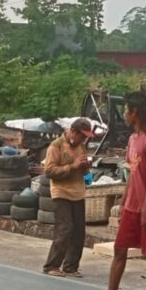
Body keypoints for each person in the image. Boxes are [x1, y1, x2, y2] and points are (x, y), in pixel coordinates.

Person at [88, 91, 146, 290]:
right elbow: (132, 174)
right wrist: (123, 201)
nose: (125, 115)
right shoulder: (132, 139)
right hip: (131, 204)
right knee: (120, 250)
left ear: (135, 113)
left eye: (127, 111)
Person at [42, 118, 96, 277]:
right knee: (65, 228)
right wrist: (72, 167)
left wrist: (85, 168)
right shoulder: (56, 146)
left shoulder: (81, 146)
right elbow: (49, 171)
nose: (83, 140)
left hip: (78, 192)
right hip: (61, 192)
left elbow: (83, 171)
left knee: (79, 231)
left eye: (85, 138)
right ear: (72, 132)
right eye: (81, 136)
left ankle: (71, 266)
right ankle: (51, 265)